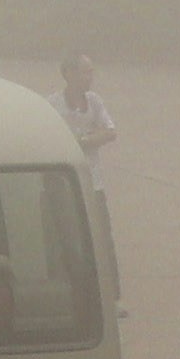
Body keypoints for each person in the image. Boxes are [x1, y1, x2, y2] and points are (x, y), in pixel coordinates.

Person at [56, 54, 124, 311]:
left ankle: (112, 299)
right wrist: (92, 137)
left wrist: (82, 141)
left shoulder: (95, 102)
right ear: (68, 74)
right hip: (63, 184)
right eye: (84, 72)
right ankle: (75, 297)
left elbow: (110, 132)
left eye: (91, 72)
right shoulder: (52, 104)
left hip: (93, 184)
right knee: (69, 242)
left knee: (104, 240)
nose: (89, 78)